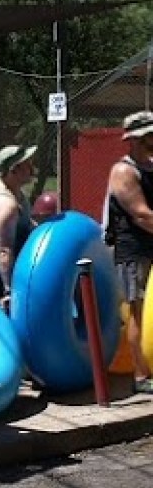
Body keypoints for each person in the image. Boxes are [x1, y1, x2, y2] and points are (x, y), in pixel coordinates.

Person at [105, 112, 153, 394]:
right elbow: (141, 215)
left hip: (150, 248)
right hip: (133, 252)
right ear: (135, 139)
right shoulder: (123, 171)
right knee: (136, 310)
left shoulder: (149, 166)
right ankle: (140, 375)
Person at [0, 144, 37, 307]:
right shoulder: (5, 204)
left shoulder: (16, 192)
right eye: (27, 164)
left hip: (12, 265)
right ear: (14, 170)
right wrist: (8, 291)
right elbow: (5, 251)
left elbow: (24, 224)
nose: (32, 168)